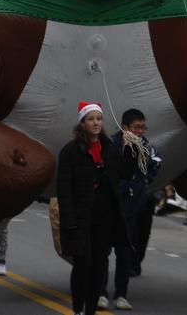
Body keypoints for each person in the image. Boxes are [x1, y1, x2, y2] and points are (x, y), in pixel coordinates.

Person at [57, 102, 135, 315]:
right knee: (82, 264)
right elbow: (64, 190)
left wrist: (130, 148)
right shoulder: (70, 152)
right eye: (91, 119)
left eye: (99, 119)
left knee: (99, 266)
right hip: (81, 218)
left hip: (105, 217)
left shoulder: (110, 148)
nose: (96, 123)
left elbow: (126, 173)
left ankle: (90, 310)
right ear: (82, 123)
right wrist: (69, 220)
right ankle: (77, 309)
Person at [99, 108, 162, 311]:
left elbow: (156, 162)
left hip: (131, 210)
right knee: (103, 252)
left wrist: (145, 179)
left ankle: (121, 294)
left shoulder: (145, 146)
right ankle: (100, 292)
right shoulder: (110, 145)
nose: (141, 131)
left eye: (143, 127)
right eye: (137, 127)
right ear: (125, 127)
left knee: (125, 253)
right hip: (109, 208)